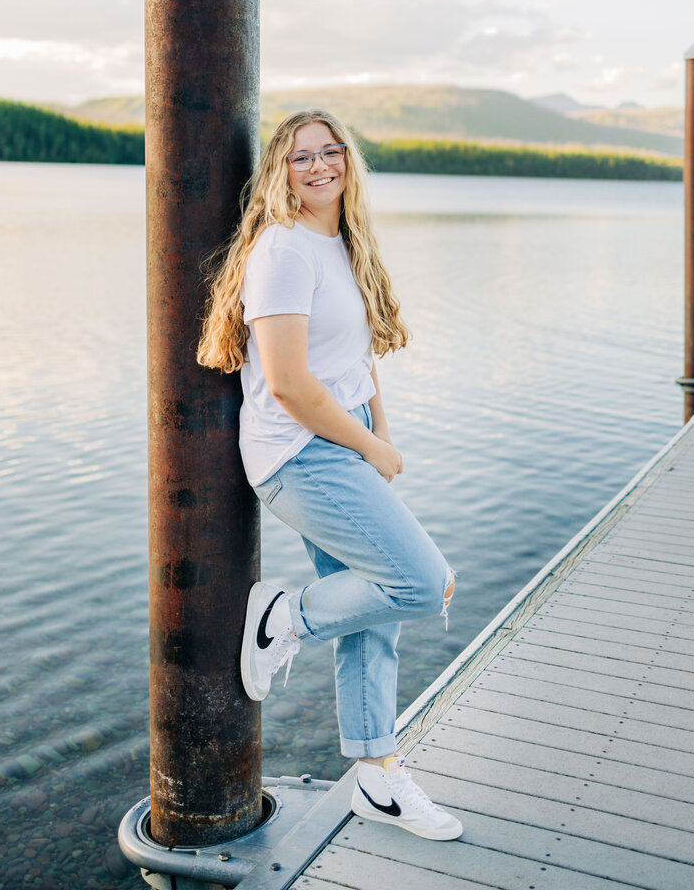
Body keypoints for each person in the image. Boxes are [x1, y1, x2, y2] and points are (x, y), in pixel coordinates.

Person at [197, 109, 461, 842]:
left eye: (329, 152)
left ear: (348, 160)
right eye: (299, 157)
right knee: (420, 581)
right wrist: (371, 452)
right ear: (279, 171)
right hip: (300, 455)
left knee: (376, 620)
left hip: (344, 445)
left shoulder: (341, 242)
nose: (318, 167)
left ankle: (378, 776)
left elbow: (356, 360)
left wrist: (382, 431)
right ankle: (284, 616)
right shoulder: (282, 251)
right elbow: (288, 384)